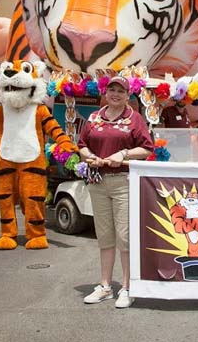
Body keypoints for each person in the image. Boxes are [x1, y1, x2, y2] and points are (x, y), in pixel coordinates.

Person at [77, 76, 153, 309]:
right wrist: (88, 156)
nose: (116, 94)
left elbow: (146, 148)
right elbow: (82, 144)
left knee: (125, 236)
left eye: (121, 91)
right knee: (105, 235)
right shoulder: (93, 117)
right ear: (105, 92)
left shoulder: (134, 119)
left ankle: (128, 287)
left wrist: (123, 155)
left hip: (123, 181)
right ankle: (105, 286)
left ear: (128, 95)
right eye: (112, 89)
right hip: (97, 181)